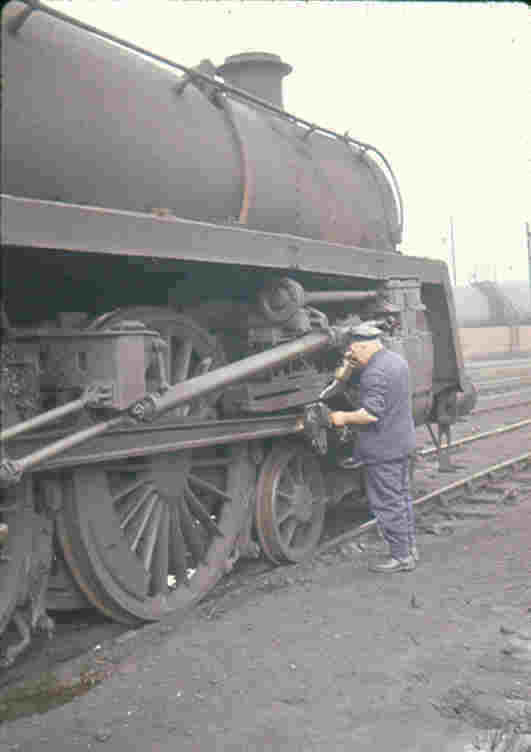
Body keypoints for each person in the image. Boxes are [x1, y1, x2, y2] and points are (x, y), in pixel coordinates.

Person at [330, 324, 417, 573]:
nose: (352, 355)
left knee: (387, 503)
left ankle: (401, 557)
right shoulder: (396, 361)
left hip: (383, 448)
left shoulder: (374, 373)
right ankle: (409, 549)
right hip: (400, 441)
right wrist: (350, 367)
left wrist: (340, 418)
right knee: (401, 498)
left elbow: (369, 414)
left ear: (364, 345)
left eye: (353, 350)